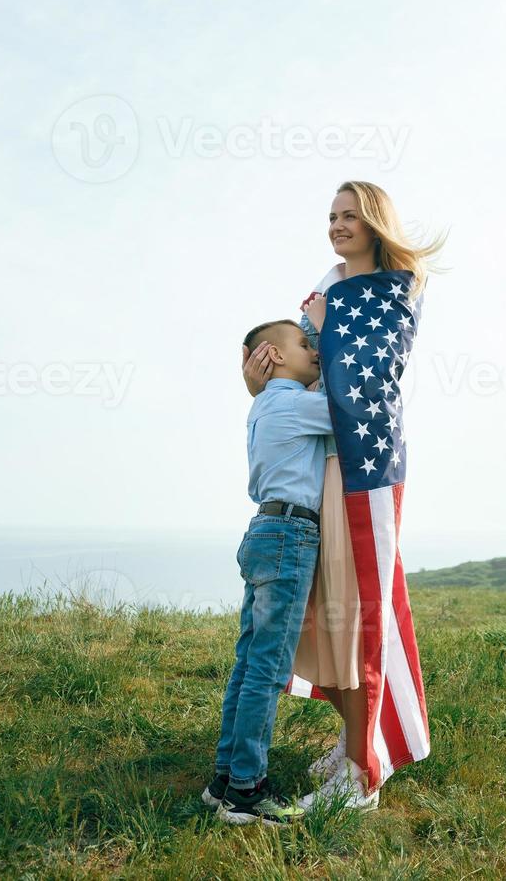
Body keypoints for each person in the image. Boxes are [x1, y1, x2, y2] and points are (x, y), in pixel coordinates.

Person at [242, 181, 447, 810]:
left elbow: (371, 376)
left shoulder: (395, 289)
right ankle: (354, 740)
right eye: (331, 215)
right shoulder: (325, 288)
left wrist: (327, 332)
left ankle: (362, 773)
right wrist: (259, 378)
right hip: (319, 468)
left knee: (358, 611)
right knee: (330, 608)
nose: (336, 225)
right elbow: (304, 379)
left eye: (349, 215)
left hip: (364, 471)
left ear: (375, 222)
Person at [202, 318, 334, 827]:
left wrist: (257, 383)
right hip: (288, 537)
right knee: (268, 669)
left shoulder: (265, 404)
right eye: (304, 345)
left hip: (265, 531)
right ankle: (245, 791)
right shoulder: (297, 405)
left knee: (248, 660)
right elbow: (356, 408)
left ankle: (225, 778)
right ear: (274, 356)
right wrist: (329, 336)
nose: (315, 352)